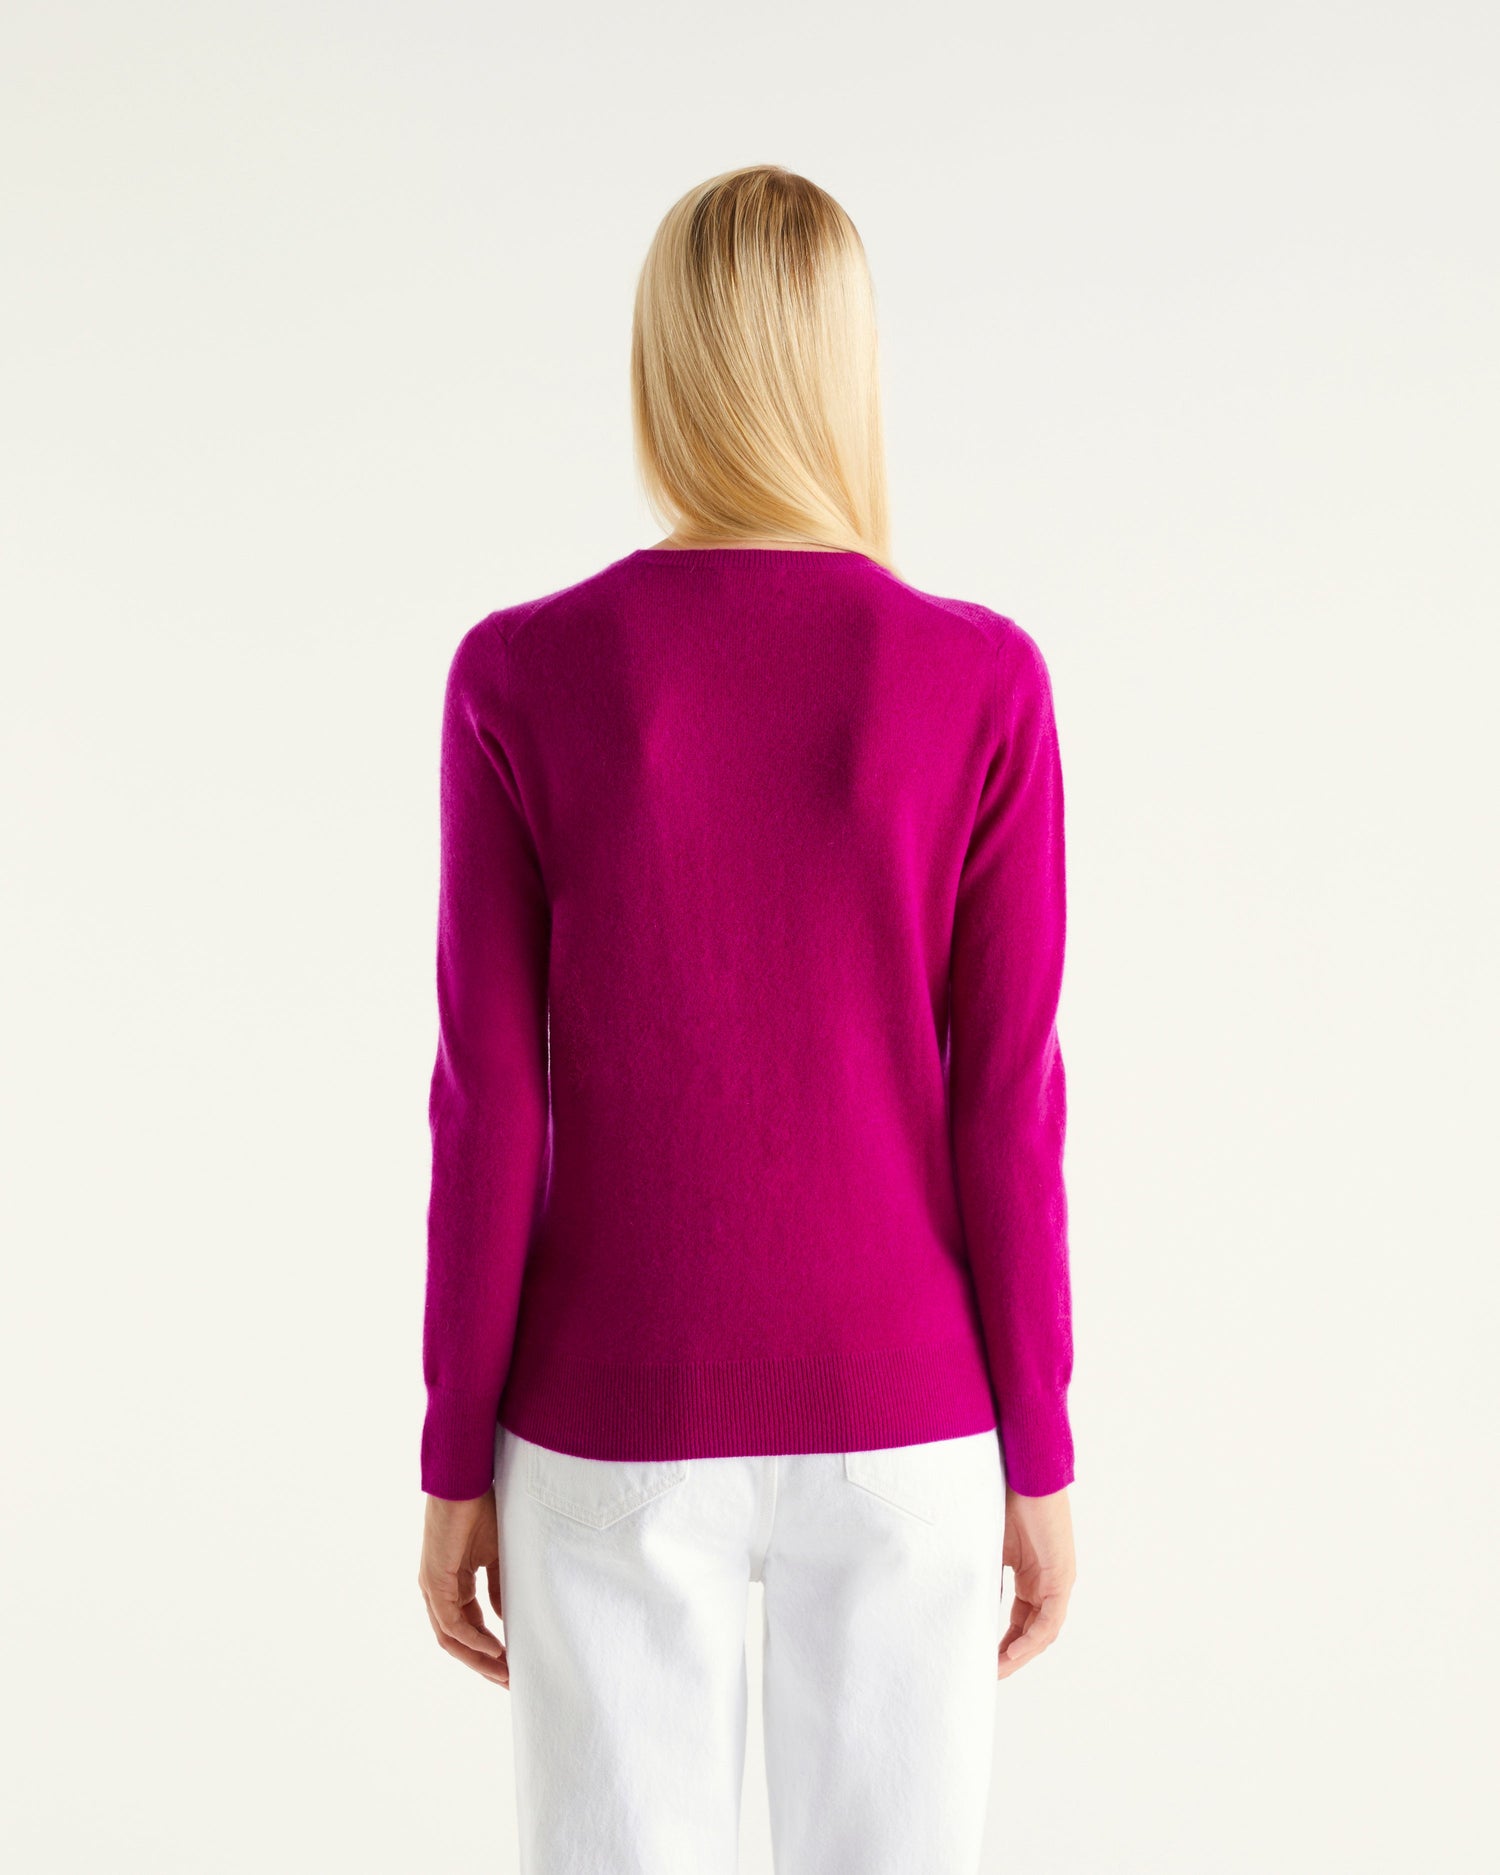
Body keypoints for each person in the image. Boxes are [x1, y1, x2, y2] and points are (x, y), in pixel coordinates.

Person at [415, 162, 1077, 1873]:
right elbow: (1006, 1106)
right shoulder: (981, 682)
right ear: (850, 368)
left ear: (665, 365)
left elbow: (489, 1107)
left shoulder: (521, 675)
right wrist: (1043, 1448)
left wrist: (452, 1453)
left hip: (608, 1418)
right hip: (908, 1419)